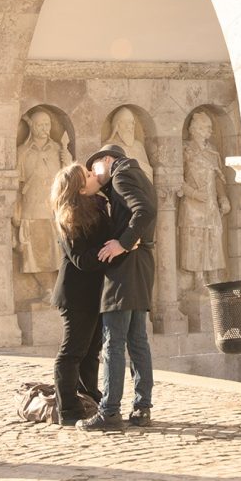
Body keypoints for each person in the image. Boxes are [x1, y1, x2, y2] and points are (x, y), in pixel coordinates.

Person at [76, 144, 157, 432]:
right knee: (137, 340)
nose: (93, 173)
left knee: (113, 343)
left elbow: (145, 211)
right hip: (141, 265)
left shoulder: (122, 175)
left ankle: (109, 412)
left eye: (94, 167)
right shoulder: (137, 174)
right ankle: (142, 407)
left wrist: (123, 243)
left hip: (126, 270)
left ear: (108, 160)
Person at [50, 161, 110, 426]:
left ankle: (89, 396)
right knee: (72, 351)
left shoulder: (96, 204)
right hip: (76, 294)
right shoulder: (70, 215)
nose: (92, 174)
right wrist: (112, 253)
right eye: (87, 174)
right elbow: (81, 260)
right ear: (79, 187)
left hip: (94, 292)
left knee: (91, 349)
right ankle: (68, 409)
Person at [14, 108, 68, 279]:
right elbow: (16, 183)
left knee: (57, 252)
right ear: (33, 127)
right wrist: (16, 211)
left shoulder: (57, 149)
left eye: (47, 124)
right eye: (40, 125)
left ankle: (55, 290)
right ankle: (44, 289)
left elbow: (68, 177)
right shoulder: (22, 152)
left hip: (54, 209)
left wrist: (68, 160)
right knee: (33, 254)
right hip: (31, 208)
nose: (45, 128)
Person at [178, 111, 231, 283]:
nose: (210, 131)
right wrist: (193, 194)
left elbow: (218, 177)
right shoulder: (184, 149)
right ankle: (199, 281)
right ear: (197, 128)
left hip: (210, 203)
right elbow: (175, 179)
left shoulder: (212, 151)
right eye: (207, 127)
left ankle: (214, 280)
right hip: (192, 205)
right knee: (195, 242)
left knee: (214, 239)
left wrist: (223, 198)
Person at [107, 107, 154, 183]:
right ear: (117, 125)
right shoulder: (108, 146)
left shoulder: (139, 146)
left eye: (132, 123)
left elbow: (149, 171)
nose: (130, 127)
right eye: (126, 122)